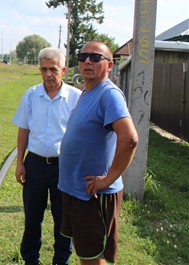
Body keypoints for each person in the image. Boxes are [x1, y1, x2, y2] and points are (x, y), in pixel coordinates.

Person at [58, 40, 139, 265]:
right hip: (77, 191)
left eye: (95, 58)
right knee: (85, 253)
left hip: (94, 195)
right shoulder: (87, 91)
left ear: (110, 65)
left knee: (93, 257)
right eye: (82, 57)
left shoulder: (108, 94)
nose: (87, 62)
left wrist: (108, 179)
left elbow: (130, 138)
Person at [12, 47, 81, 265]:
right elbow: (23, 130)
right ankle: (31, 260)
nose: (48, 74)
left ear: (63, 69)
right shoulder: (31, 95)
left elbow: (82, 135)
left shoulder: (76, 98)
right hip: (36, 165)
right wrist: (20, 163)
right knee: (33, 218)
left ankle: (61, 261)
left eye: (53, 69)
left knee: (64, 219)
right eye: (43, 69)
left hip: (64, 167)